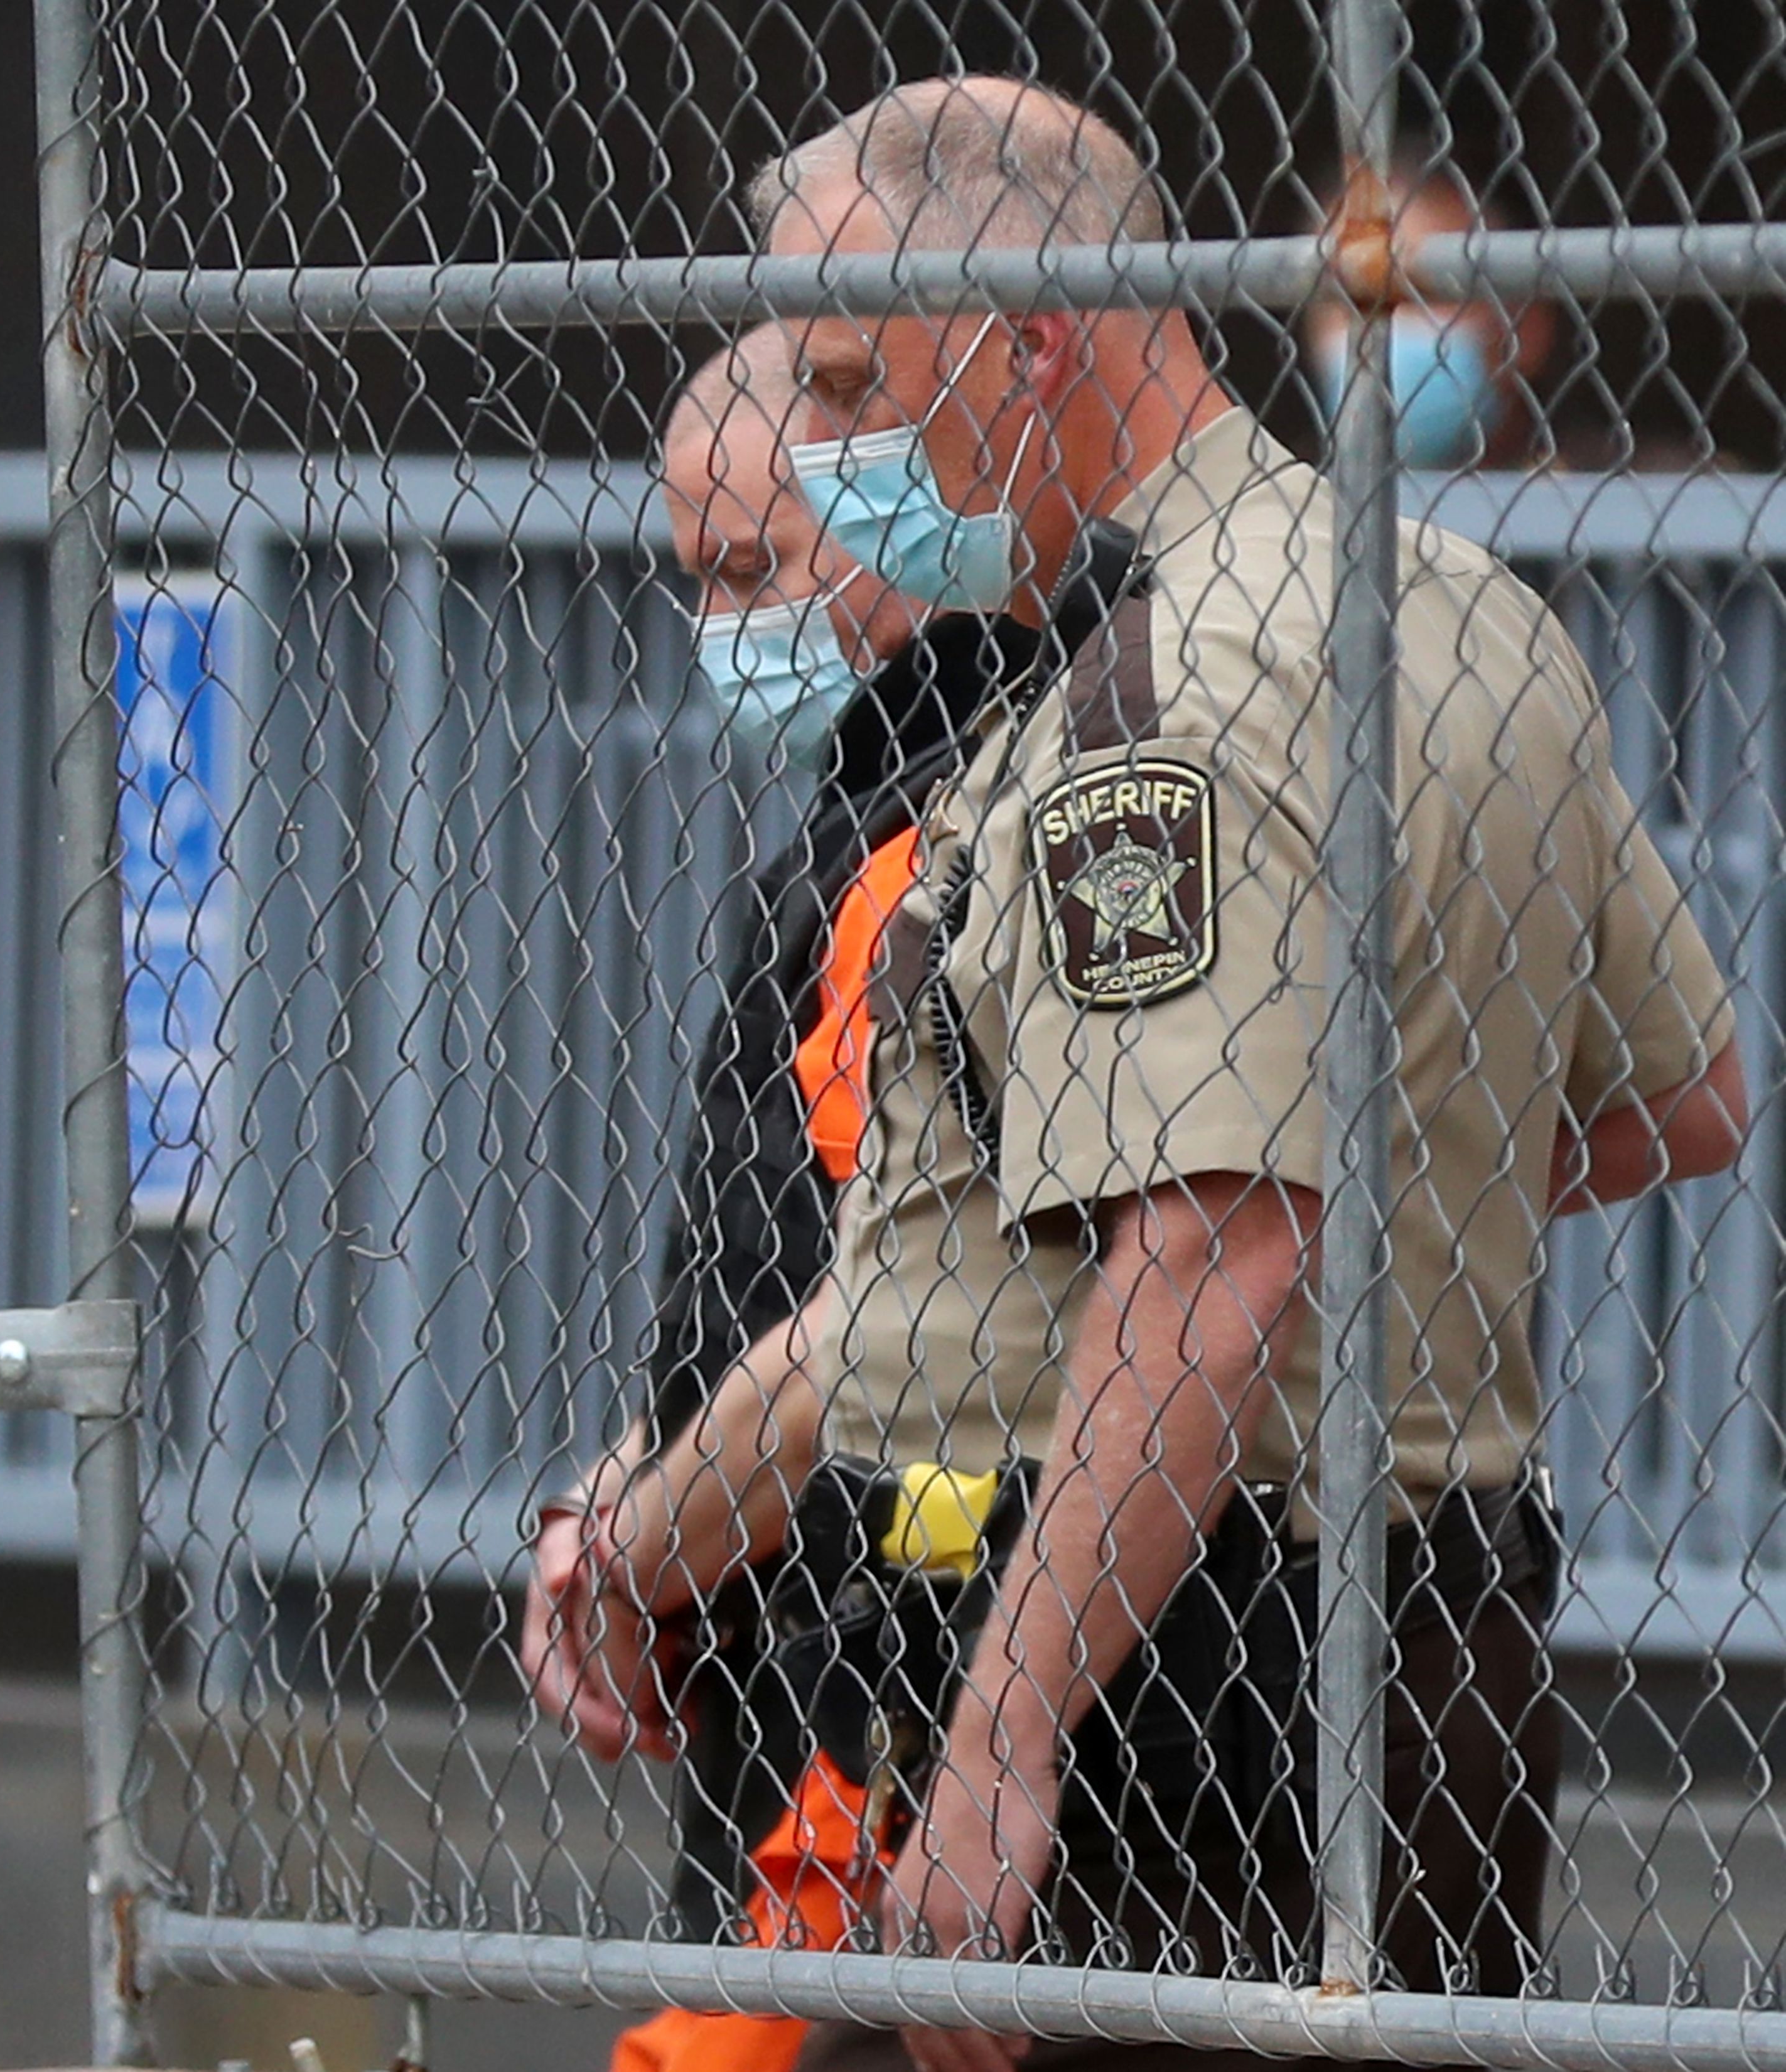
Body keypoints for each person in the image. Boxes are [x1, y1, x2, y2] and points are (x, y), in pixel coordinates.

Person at [543, 80, 1747, 2072]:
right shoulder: (1452, 607)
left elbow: (1204, 1245)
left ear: (1028, 344)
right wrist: (1366, 1189)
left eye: (852, 381)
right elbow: (1679, 1092)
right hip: (1430, 1634)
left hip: (1160, 1681)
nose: (829, 450)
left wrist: (999, 1742)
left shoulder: (1146, 689)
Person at [521, 327, 1037, 2072]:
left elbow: (883, 1318)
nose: (720, 623)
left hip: (889, 1711)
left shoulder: (953, 827)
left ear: (894, 502)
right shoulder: (859, 804)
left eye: (751, 568)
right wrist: (626, 1476)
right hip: (814, 1682)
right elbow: (787, 1257)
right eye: (696, 575)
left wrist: (638, 1547)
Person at [1304, 141, 1557, 471]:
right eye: (1350, 301)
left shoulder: (1602, 497)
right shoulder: (1288, 506)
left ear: (1525, 328)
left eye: (1418, 297)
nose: (1378, 329)